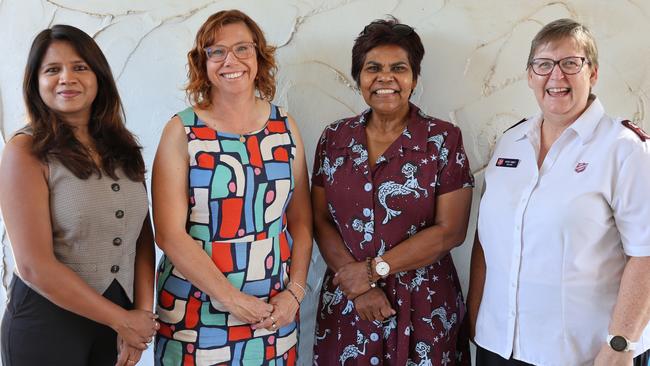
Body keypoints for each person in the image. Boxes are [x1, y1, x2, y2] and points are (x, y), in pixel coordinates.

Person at [468, 18, 650, 366]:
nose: (557, 76)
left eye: (571, 63)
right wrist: (476, 317)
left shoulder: (625, 149)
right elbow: (487, 237)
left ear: (593, 73)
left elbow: (646, 254)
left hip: (587, 355)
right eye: (544, 64)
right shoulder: (511, 143)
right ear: (530, 76)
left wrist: (621, 342)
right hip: (499, 348)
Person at [152, 9, 312, 365]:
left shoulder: (285, 126)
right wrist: (230, 298)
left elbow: (301, 220)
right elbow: (169, 234)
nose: (231, 60)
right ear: (202, 63)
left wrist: (296, 293)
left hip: (274, 313)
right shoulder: (182, 131)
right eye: (216, 51)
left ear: (258, 56)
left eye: (242, 48)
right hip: (195, 316)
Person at [312, 17, 474, 366]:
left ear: (414, 78)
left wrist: (372, 271)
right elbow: (320, 218)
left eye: (398, 68)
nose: (385, 77)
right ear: (359, 78)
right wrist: (359, 286)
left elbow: (452, 231)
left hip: (424, 306)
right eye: (373, 68)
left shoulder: (442, 140)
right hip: (349, 303)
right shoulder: (333, 139)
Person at [0, 25, 158, 366]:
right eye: (52, 69)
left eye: (80, 67)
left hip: (117, 323)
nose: (66, 78)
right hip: (46, 327)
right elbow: (32, 265)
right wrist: (122, 320)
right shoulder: (24, 150)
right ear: (36, 82)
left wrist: (141, 316)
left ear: (98, 76)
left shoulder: (124, 146)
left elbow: (143, 236)